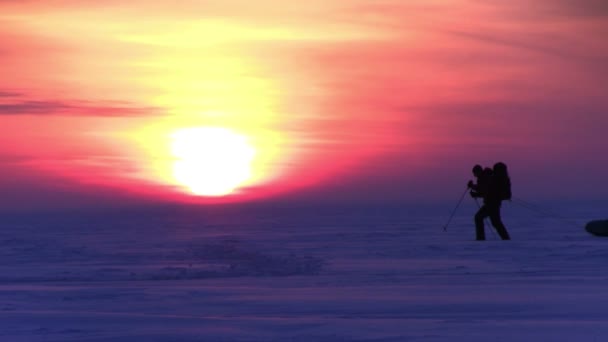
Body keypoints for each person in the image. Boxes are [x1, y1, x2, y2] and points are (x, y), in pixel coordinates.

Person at [473, 162, 511, 240]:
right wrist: (475, 193)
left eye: (475, 173)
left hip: (491, 204)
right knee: (496, 222)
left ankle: (480, 239)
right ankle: (506, 239)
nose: (475, 175)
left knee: (478, 218)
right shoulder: (487, 177)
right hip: (494, 203)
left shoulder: (485, 177)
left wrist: (474, 191)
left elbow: (484, 190)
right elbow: (485, 191)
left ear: (478, 171)